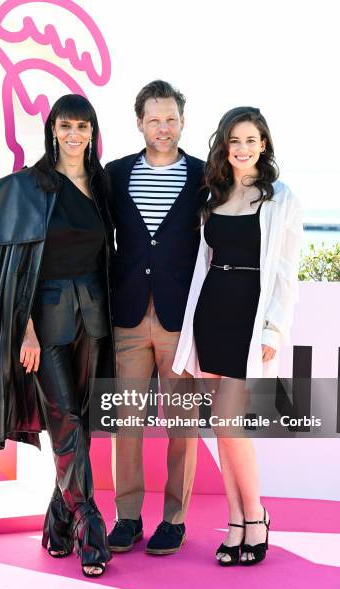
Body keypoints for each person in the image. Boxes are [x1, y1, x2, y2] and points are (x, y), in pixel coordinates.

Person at [0, 94, 115, 578]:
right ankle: (88, 524)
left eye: (83, 126)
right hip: (45, 322)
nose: (74, 134)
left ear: (93, 132)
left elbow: (106, 258)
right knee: (65, 420)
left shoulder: (100, 185)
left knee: (80, 423)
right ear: (53, 130)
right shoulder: (30, 187)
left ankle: (56, 523)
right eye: (65, 125)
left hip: (93, 319)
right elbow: (14, 269)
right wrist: (25, 331)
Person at [173, 107, 303, 565]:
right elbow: (202, 266)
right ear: (224, 148)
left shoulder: (280, 198)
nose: (243, 149)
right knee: (223, 430)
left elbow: (287, 272)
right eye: (235, 141)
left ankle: (256, 516)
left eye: (251, 140)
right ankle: (235, 522)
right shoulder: (213, 195)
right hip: (212, 313)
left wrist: (274, 326)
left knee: (233, 425)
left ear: (263, 144)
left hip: (250, 319)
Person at [105, 80, 205, 555]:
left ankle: (174, 520)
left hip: (180, 320)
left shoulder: (206, 176)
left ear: (182, 122)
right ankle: (127, 517)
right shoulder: (115, 173)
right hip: (127, 316)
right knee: (127, 422)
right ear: (139, 122)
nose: (162, 128)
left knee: (181, 424)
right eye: (154, 119)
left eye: (171, 119)